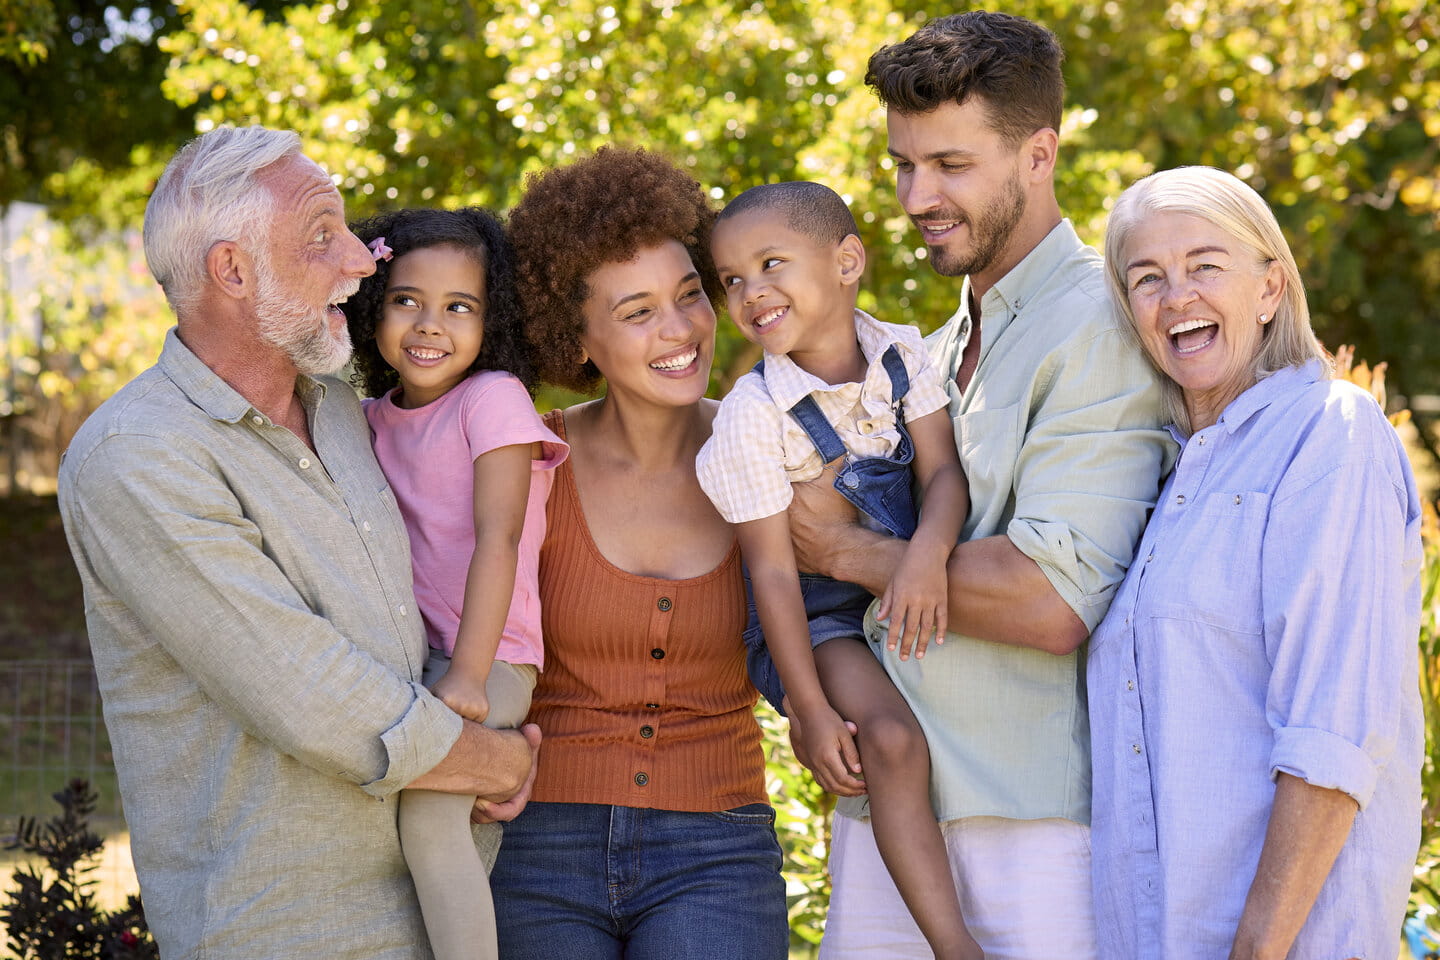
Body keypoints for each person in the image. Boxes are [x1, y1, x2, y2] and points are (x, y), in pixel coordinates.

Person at [55, 125, 539, 959]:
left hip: (434, 915)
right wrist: (494, 762)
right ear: (233, 271)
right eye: (323, 235)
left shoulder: (344, 412)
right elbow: (308, 692)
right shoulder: (138, 458)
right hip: (289, 929)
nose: (360, 260)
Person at [785, 13, 1174, 957]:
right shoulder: (942, 339)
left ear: (1038, 154)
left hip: (1029, 828)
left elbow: (1051, 600)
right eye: (903, 165)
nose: (918, 197)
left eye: (951, 166)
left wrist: (844, 550)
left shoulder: (1094, 325)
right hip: (893, 815)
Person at [1089, 165, 1423, 958]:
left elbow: (1331, 730)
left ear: (1271, 287)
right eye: (1148, 279)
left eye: (1206, 266)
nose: (1178, 298)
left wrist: (1256, 950)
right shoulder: (1163, 474)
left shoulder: (1328, 433)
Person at [488, 146, 788, 959]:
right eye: (637, 311)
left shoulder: (768, 447)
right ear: (577, 337)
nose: (680, 329)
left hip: (717, 845)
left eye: (689, 294)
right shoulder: (529, 460)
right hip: (538, 843)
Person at [698, 181, 978, 959]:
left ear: (847, 260)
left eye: (771, 263)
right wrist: (810, 710)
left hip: (896, 579)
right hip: (815, 618)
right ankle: (957, 946)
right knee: (889, 742)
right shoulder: (753, 414)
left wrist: (922, 559)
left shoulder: (901, 353)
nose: (752, 292)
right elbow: (772, 576)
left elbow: (945, 476)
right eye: (731, 280)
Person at [341, 207, 568, 960]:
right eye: (407, 299)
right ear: (374, 305)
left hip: (492, 658)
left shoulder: (492, 398)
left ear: (490, 319)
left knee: (433, 817)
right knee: (424, 832)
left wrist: (470, 675)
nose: (429, 325)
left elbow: (499, 538)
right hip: (417, 663)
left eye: (458, 307)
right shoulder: (367, 418)